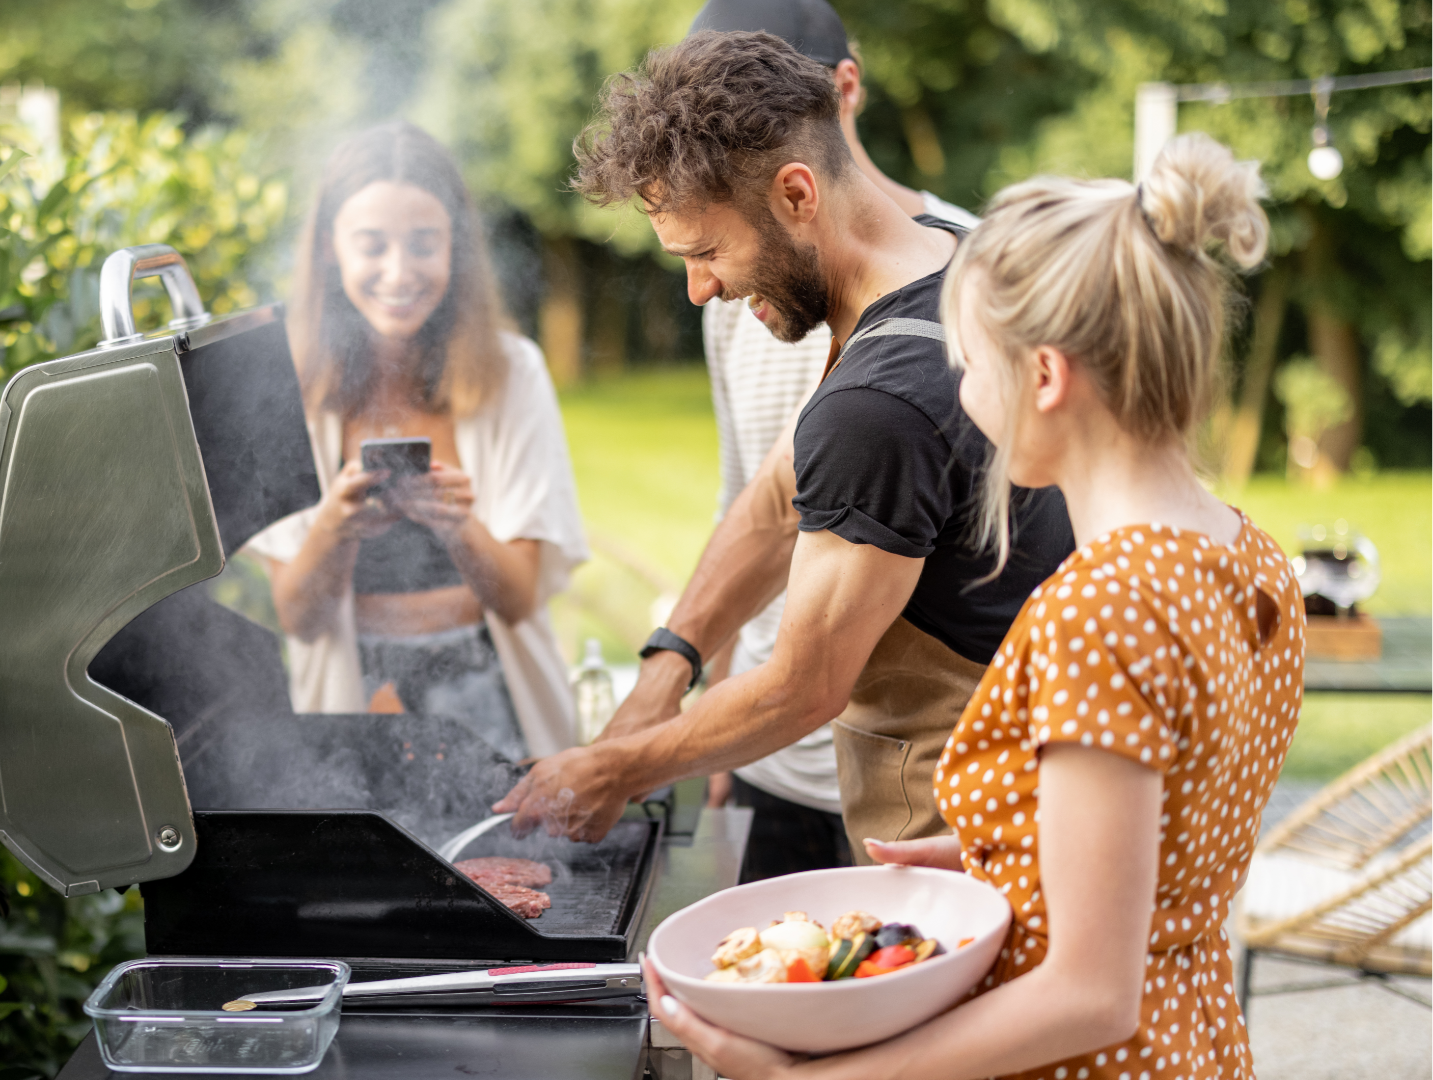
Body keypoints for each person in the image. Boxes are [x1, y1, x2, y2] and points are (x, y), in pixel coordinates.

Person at [643, 132, 1302, 1080]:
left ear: (1043, 376)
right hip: (1195, 1042)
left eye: (968, 361)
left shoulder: (1101, 609)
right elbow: (1175, 826)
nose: (958, 389)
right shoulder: (1247, 557)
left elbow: (1088, 992)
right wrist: (1004, 853)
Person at [494, 31, 1075, 849]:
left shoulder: (876, 405)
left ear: (798, 194)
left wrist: (613, 772)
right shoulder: (959, 263)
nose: (702, 291)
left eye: (706, 252)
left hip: (977, 849)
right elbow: (777, 500)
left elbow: (801, 689)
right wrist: (663, 674)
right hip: (1048, 809)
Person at [689, 0, 981, 880]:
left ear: (843, 88)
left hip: (933, 768)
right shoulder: (735, 277)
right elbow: (750, 490)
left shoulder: (978, 267)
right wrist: (700, 697)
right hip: (768, 753)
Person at [246, 121, 588, 762]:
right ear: (329, 247)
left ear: (455, 245)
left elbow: (517, 600)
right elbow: (299, 617)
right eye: (371, 245)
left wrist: (457, 525)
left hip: (493, 701)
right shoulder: (282, 387)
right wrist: (335, 528)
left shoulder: (513, 372)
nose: (399, 273)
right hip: (350, 709)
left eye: (424, 244)